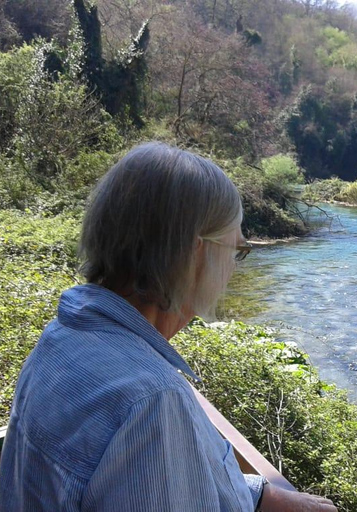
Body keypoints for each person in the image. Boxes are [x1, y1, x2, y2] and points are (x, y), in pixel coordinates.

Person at [0, 142, 337, 512]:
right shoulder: (152, 401)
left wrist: (258, 495)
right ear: (194, 254)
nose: (235, 268)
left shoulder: (63, 338)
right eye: (236, 250)